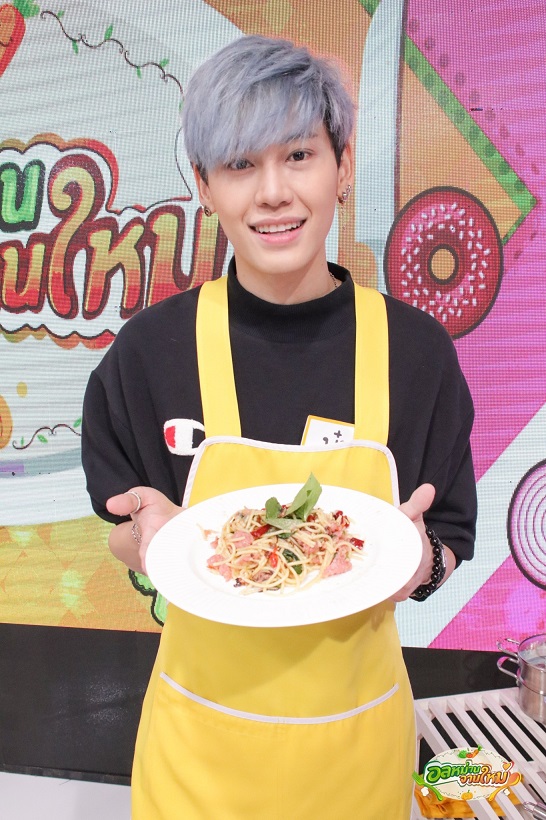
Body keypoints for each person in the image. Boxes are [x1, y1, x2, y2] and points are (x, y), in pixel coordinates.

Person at [82, 35, 476, 819]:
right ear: (203, 185)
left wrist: (419, 562)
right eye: (239, 164)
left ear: (343, 165)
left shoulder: (416, 353)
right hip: (197, 766)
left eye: (298, 156)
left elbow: (448, 540)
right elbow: (127, 532)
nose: (272, 193)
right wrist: (147, 542)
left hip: (358, 761)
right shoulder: (150, 353)